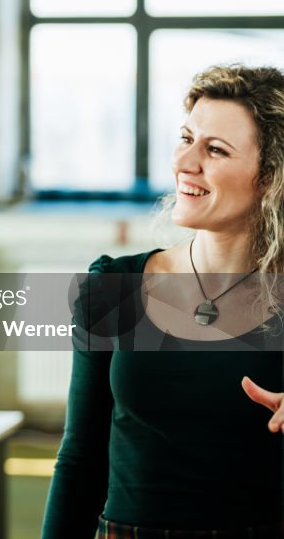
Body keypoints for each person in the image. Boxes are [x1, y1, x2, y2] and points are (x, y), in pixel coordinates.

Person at [42, 64, 284, 537]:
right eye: (186, 138)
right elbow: (80, 456)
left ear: (271, 177)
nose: (184, 163)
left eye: (214, 150)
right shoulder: (114, 285)